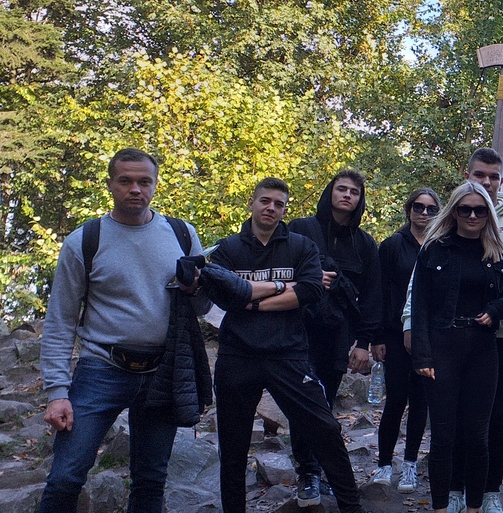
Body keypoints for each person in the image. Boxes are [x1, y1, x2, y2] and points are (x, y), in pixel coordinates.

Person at [39, 148, 211, 511]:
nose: (136, 189)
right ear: (110, 185)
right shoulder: (84, 241)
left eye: (144, 181)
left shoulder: (182, 234)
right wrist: (57, 391)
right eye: (126, 181)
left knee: (151, 482)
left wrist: (196, 288)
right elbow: (60, 321)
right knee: (65, 477)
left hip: (163, 371)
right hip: (101, 368)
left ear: (155, 184)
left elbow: (203, 307)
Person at [208, 177, 363, 513]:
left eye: (279, 204)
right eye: (265, 201)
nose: (271, 208)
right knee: (233, 447)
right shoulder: (229, 248)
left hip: (288, 353)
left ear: (285, 209)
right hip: (237, 355)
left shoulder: (299, 246)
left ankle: (352, 507)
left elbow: (311, 290)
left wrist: (249, 299)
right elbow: (219, 290)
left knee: (325, 427)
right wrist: (283, 286)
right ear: (251, 202)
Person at [402, 147, 503, 513]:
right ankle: (446, 501)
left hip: (489, 345)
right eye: (466, 209)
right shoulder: (435, 246)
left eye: (480, 209)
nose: (474, 213)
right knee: (445, 434)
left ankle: (483, 497)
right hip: (443, 347)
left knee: (485, 428)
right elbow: (421, 300)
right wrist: (419, 349)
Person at [287, 170, 382, 503]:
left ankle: (320, 470)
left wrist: (364, 343)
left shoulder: (366, 243)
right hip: (298, 332)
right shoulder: (301, 228)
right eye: (341, 189)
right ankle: (308, 473)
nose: (347, 196)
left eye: (354, 192)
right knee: (305, 404)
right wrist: (310, 279)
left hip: (338, 336)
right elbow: (282, 269)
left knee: (324, 405)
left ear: (360, 199)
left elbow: (372, 297)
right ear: (330, 193)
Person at [368, 188, 440, 492]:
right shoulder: (392, 246)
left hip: (432, 336)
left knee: (421, 402)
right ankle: (385, 463)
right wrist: (377, 337)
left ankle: (410, 464)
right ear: (409, 209)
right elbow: (379, 292)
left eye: (430, 209)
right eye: (418, 207)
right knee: (395, 400)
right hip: (395, 335)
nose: (423, 213)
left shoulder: (441, 246)